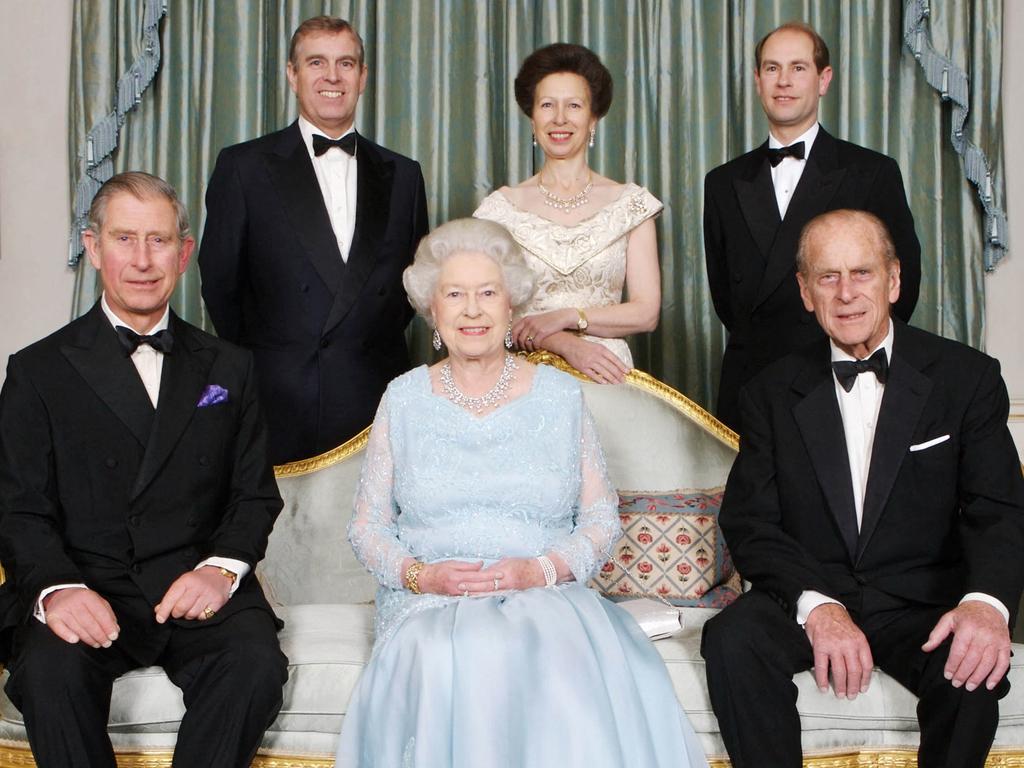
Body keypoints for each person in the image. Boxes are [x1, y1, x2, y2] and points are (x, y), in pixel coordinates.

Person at [335, 218, 708, 767]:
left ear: (511, 305)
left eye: (488, 293)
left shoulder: (559, 394)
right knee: (445, 653)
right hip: (430, 599)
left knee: (546, 648)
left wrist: (543, 570)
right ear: (432, 310)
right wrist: (422, 575)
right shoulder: (403, 398)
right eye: (454, 294)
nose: (472, 309)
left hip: (543, 593)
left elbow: (601, 518)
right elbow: (366, 527)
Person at [700, 209, 1024, 768]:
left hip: (921, 603)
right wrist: (818, 607)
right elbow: (751, 521)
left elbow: (998, 509)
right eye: (827, 277)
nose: (846, 293)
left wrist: (985, 604)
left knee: (971, 669)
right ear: (805, 292)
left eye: (862, 274)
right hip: (817, 591)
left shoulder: (966, 378)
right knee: (733, 638)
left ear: (894, 280)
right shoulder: (769, 392)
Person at [0, 172, 288, 767]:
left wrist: (220, 571)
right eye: (125, 238)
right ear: (93, 245)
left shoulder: (230, 368)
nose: (142, 259)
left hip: (191, 583)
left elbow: (253, 495)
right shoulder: (37, 370)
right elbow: (18, 506)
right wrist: (58, 590)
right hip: (87, 582)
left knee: (254, 664)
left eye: (158, 241)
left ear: (183, 253)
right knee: (50, 676)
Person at [199, 15, 429, 464]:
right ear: (292, 74)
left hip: (376, 393)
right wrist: (279, 359)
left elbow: (413, 290)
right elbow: (220, 284)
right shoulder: (244, 167)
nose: (332, 77)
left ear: (363, 78)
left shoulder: (404, 174)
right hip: (279, 396)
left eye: (346, 64)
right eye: (316, 63)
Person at [703, 21, 921, 432]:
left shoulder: (871, 172)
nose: (783, 81)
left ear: (824, 80)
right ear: (757, 80)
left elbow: (900, 287)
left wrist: (853, 350)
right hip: (753, 383)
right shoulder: (722, 182)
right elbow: (726, 299)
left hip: (840, 374)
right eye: (772, 68)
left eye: (798, 68)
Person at [474, 43, 661, 385]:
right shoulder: (498, 211)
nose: (560, 118)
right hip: (525, 381)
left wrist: (569, 317)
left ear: (594, 117)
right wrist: (559, 342)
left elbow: (646, 312)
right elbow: (484, 313)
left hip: (606, 374)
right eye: (547, 105)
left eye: (574, 105)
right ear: (532, 118)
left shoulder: (631, 205)